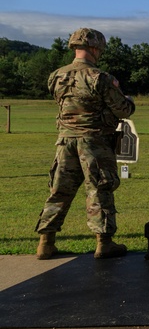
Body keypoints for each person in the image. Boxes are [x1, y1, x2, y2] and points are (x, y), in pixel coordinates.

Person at [34, 27, 136, 259]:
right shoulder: (100, 78)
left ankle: (45, 243)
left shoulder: (56, 75)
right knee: (99, 190)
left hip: (65, 141)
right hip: (94, 142)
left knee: (59, 191)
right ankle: (104, 243)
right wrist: (129, 101)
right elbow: (123, 110)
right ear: (94, 48)